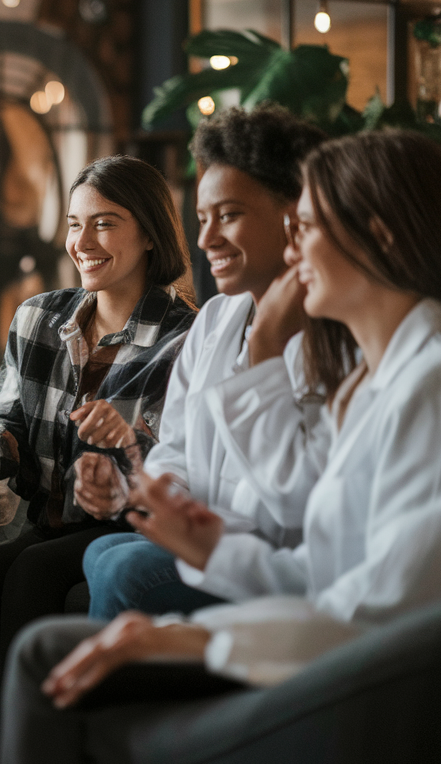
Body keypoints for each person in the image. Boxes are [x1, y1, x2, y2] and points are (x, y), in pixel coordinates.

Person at [0, 130, 441, 763]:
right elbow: (324, 575)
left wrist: (198, 641)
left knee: (83, 630)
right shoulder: (380, 377)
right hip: (316, 641)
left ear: (381, 236)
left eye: (308, 227)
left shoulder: (423, 386)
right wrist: (200, 544)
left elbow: (368, 617)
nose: (295, 246)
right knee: (54, 636)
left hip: (353, 694)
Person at [0, 154, 198, 763]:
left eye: (105, 224)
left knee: (32, 574)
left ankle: (26, 749)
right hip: (48, 523)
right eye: (76, 224)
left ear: (151, 233)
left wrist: (119, 457)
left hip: (126, 529)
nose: (84, 242)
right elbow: (9, 427)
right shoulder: (38, 317)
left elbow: (177, 464)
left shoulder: (185, 340)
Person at [82, 106, 330, 621]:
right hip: (205, 535)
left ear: (295, 215)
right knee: (101, 551)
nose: (206, 240)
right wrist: (157, 494)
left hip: (275, 560)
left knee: (122, 570)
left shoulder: (336, 333)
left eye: (229, 215)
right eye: (202, 219)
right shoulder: (216, 318)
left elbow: (301, 505)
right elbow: (176, 450)